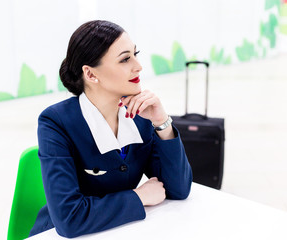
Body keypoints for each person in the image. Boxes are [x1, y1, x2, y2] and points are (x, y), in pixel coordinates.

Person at [29, 20, 192, 238]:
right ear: (91, 74)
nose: (138, 66)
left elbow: (178, 190)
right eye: (125, 59)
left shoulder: (141, 115)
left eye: (136, 54)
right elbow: (69, 219)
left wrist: (162, 122)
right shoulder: (56, 122)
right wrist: (139, 197)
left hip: (121, 230)